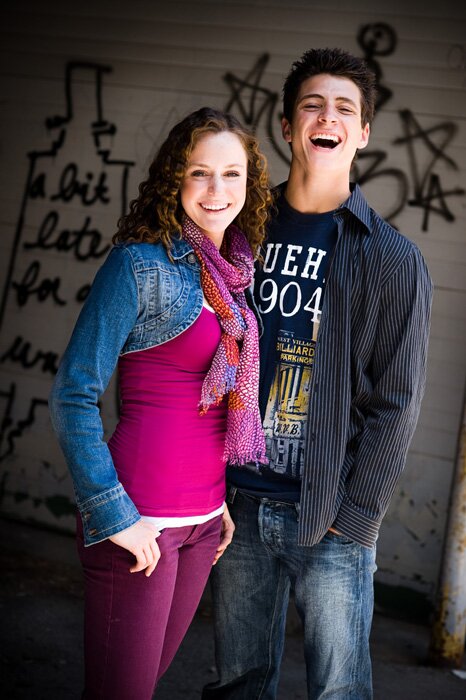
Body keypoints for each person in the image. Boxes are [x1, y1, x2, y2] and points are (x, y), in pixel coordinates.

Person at [203, 48, 433, 700]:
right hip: (237, 504)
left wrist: (356, 519)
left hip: (328, 511)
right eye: (312, 105)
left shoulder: (392, 259)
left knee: (338, 692)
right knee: (238, 685)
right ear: (287, 126)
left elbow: (397, 401)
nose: (327, 117)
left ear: (363, 133)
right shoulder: (239, 229)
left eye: (344, 109)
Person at [49, 106, 271, 700]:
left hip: (204, 523)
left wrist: (217, 502)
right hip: (139, 521)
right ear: (175, 179)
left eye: (232, 174)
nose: (217, 190)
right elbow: (72, 393)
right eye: (200, 173)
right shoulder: (138, 265)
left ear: (249, 185)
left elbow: (216, 407)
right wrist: (114, 514)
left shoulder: (235, 276)